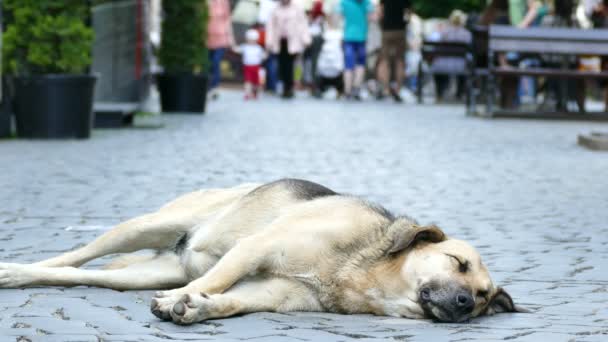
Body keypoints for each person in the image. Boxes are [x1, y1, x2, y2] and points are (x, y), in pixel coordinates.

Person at [266, 0, 311, 99]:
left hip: (293, 41)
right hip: (279, 41)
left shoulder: (297, 8)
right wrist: (268, 41)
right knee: (282, 65)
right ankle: (285, 86)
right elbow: (270, 26)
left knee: (291, 65)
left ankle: (289, 87)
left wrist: (306, 39)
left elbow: (303, 24)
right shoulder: (275, 9)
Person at [335, 0, 375, 100]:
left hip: (348, 37)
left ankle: (347, 91)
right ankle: (356, 89)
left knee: (348, 65)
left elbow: (337, 18)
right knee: (360, 64)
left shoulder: (344, 2)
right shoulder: (366, 3)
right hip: (362, 37)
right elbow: (371, 18)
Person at [432, 10, 472, 102]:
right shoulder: (467, 34)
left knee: (439, 65)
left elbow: (438, 48)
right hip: (461, 64)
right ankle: (459, 94)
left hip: (443, 63)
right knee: (466, 64)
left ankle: (440, 93)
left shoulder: (445, 32)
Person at [376, 0, 410, 102]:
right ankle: (398, 90)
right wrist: (405, 23)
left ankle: (386, 90)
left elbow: (380, 12)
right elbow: (408, 13)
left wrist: (381, 23)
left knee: (384, 60)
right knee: (400, 61)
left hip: (387, 29)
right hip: (400, 30)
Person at [207, 0, 235, 100]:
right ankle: (207, 86)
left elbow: (228, 20)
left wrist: (231, 39)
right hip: (207, 38)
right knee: (208, 63)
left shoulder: (223, 2)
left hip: (221, 38)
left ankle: (214, 87)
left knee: (215, 62)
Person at [233, 29, 267, 100]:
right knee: (248, 81)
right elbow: (236, 50)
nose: (251, 41)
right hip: (247, 67)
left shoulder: (258, 48)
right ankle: (247, 93)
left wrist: (267, 52)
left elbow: (263, 56)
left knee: (256, 83)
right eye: (250, 39)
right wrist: (232, 44)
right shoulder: (245, 46)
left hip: (256, 67)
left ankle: (255, 93)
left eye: (253, 39)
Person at [315, 19, 345, 98]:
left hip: (327, 65)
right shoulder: (341, 34)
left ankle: (320, 89)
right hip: (335, 66)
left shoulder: (325, 34)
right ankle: (340, 90)